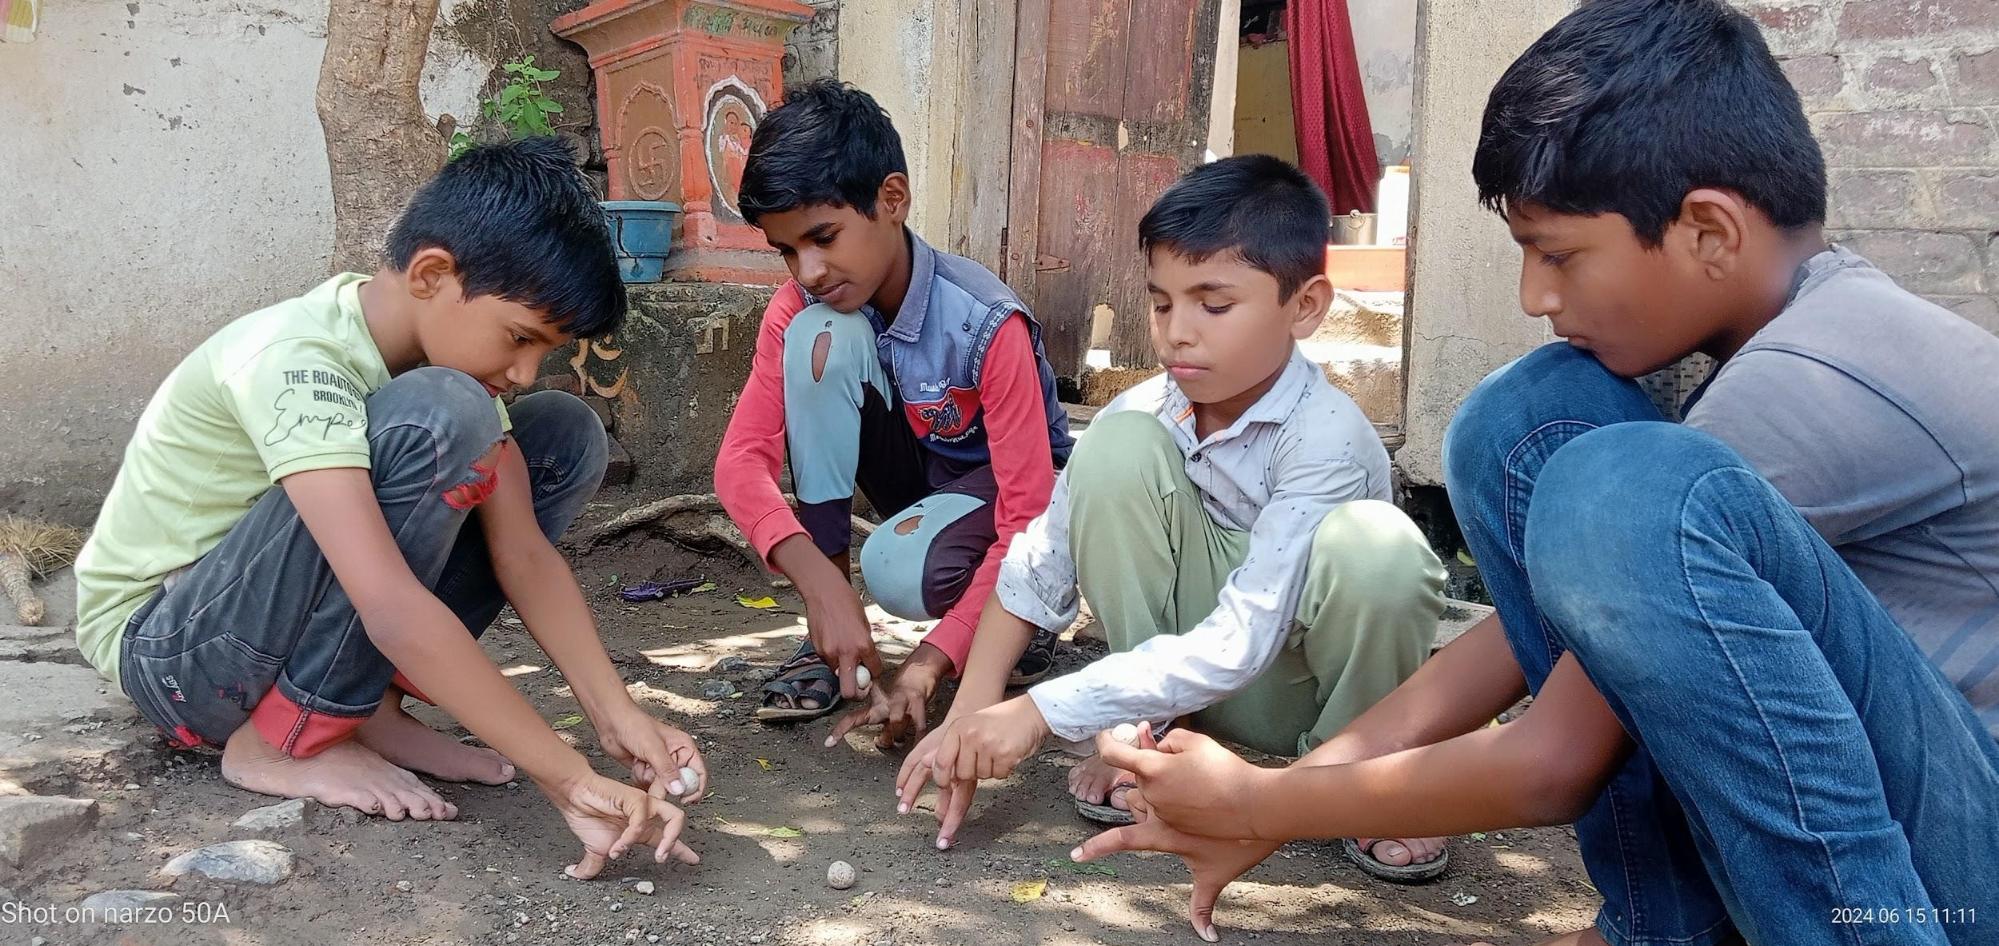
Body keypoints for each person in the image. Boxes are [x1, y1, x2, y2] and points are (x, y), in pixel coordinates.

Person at [1066, 2, 1999, 944]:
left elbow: (1553, 758)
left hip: (1966, 878)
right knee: (1527, 419)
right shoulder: (1778, 345)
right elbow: (1542, 643)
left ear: (1708, 232)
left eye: (1557, 254)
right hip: (1929, 829)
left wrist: (1262, 809)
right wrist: (1287, 787)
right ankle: (1658, 925)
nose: (1533, 295)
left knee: (1624, 489)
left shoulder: (1809, 388)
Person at [74, 138, 706, 879]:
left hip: (257, 626)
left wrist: (615, 716)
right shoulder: (297, 360)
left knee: (561, 435)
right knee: (445, 414)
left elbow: (524, 555)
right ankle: (281, 739)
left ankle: (363, 709)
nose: (526, 369)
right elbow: (389, 603)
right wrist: (562, 776)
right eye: (519, 338)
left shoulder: (443, 374)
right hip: (171, 647)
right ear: (433, 273)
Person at [894, 155, 1447, 858]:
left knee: (1380, 553)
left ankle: (1351, 775)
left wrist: (1039, 712)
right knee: (1114, 447)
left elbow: (1243, 639)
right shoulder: (1145, 412)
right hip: (1186, 681)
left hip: (1296, 689)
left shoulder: (1327, 439)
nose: (1176, 331)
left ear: (1304, 306)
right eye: (1162, 302)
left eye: (1213, 305)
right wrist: (971, 714)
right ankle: (1146, 732)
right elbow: (1036, 568)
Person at [713, 80, 1075, 746]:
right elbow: (740, 463)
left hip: (1006, 496)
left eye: (822, 237)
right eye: (788, 250)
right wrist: (822, 585)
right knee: (820, 337)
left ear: (891, 199)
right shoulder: (799, 311)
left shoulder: (986, 322)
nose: (809, 271)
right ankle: (828, 641)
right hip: (921, 491)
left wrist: (929, 666)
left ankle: (1023, 618)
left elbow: (1027, 513)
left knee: (901, 569)